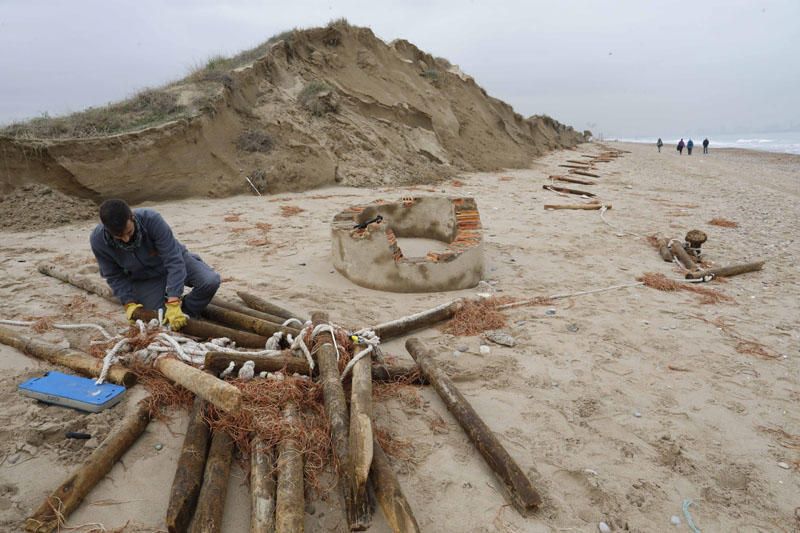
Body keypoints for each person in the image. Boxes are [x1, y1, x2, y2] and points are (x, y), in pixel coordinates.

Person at [90, 199, 221, 330]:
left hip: (174, 262)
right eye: (118, 237)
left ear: (132, 217)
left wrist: (174, 301)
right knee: (158, 319)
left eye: (129, 232)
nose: (126, 239)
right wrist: (129, 302)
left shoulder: (152, 220)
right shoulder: (98, 240)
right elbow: (114, 276)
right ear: (107, 229)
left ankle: (188, 312)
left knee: (209, 281)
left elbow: (173, 260)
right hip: (144, 277)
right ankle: (175, 315)